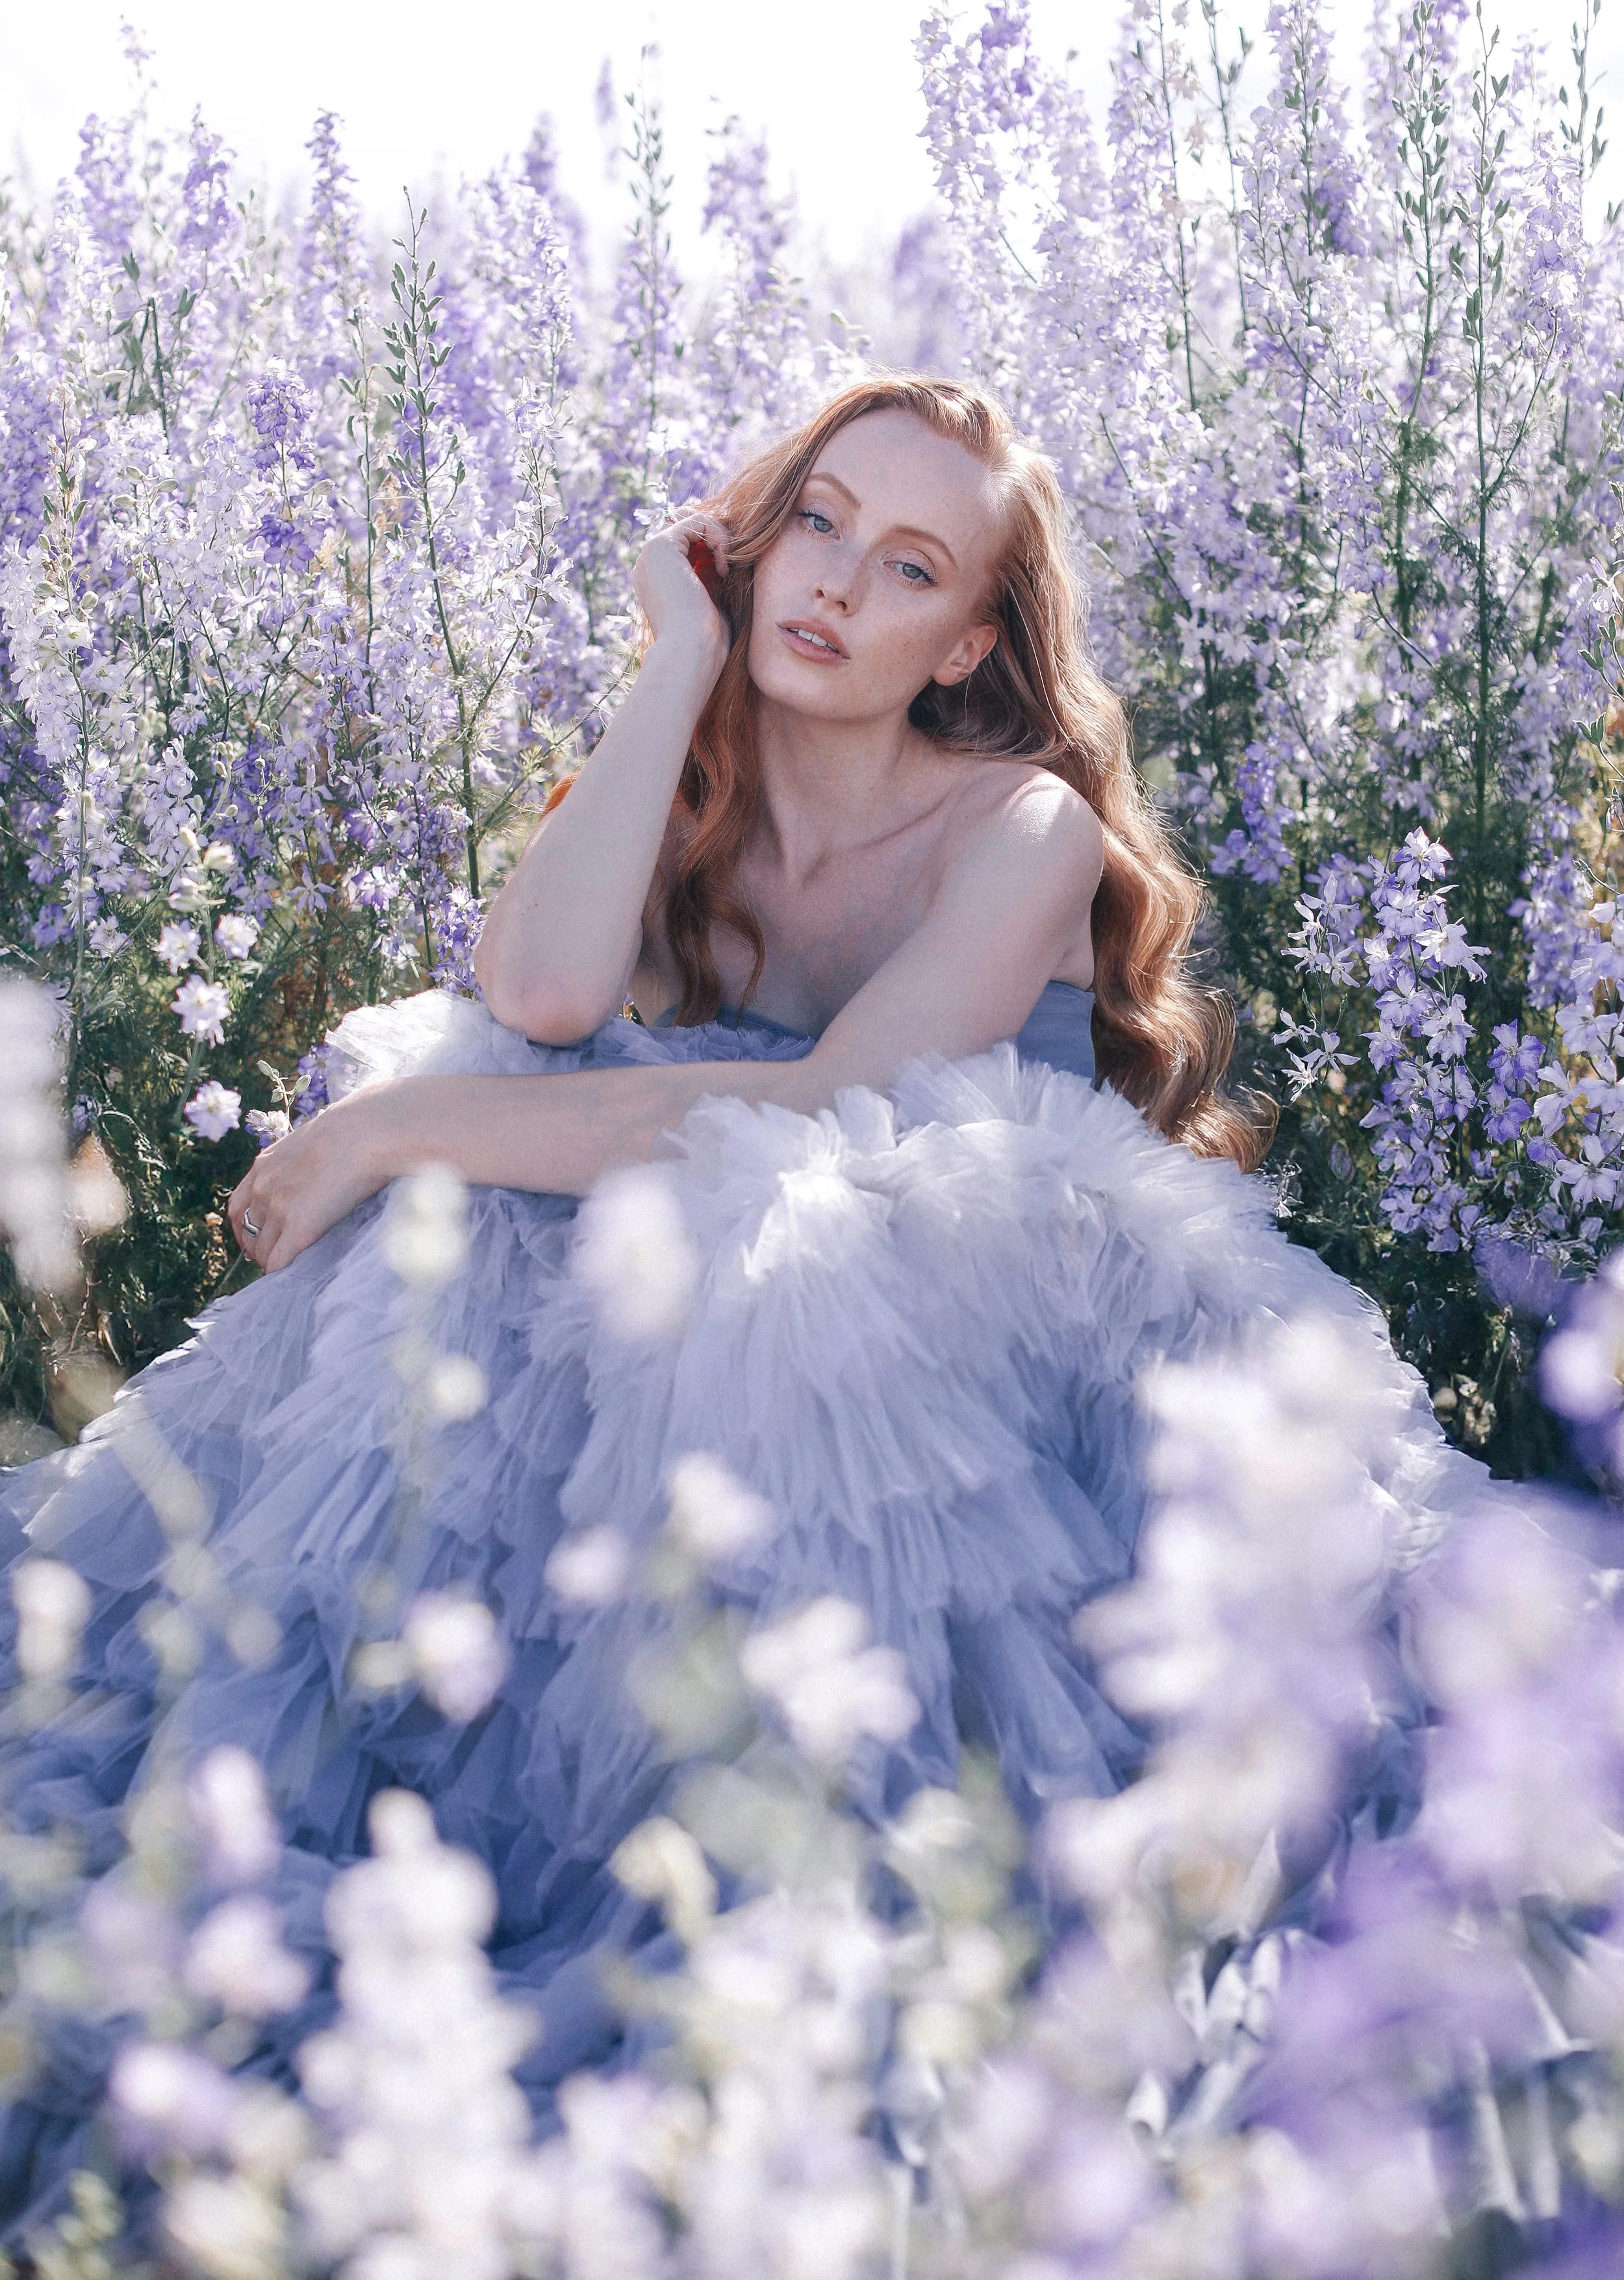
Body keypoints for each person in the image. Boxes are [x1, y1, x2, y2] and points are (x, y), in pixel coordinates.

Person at [0, 379, 1476, 2240]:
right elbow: (535, 994)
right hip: (700, 1246)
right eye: (820, 521)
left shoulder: (1017, 829)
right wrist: (672, 659)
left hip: (948, 1340)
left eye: (912, 564)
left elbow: (816, 1117)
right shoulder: (704, 767)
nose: (841, 583)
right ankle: (395, 1782)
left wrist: (400, 1125)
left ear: (967, 644)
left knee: (709, 1221)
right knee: (472, 1209)